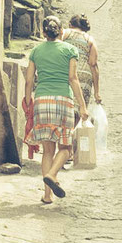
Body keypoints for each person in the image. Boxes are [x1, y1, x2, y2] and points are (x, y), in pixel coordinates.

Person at [26, 16, 88, 203]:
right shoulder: (70, 50)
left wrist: (28, 100)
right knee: (66, 148)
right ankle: (52, 174)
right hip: (63, 100)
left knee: (47, 150)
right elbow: (73, 79)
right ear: (61, 31)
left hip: (42, 100)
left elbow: (29, 80)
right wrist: (83, 106)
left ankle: (47, 195)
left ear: (44, 33)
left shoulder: (36, 51)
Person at [61, 14, 100, 109]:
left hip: (66, 72)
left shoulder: (65, 33)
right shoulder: (90, 39)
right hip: (84, 76)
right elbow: (93, 64)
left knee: (64, 106)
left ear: (70, 24)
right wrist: (96, 92)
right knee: (80, 109)